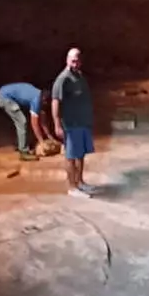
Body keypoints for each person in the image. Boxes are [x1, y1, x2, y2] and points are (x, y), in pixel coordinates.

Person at [52, 48, 96, 198]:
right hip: (71, 124)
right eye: (72, 60)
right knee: (71, 155)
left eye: (77, 61)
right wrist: (57, 124)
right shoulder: (63, 79)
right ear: (67, 60)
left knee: (81, 153)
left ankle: (80, 182)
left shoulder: (79, 76)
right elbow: (56, 101)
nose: (75, 63)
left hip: (83, 122)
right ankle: (72, 187)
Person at [0, 82, 52, 161]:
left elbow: (43, 121)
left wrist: (49, 135)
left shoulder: (40, 96)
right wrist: (41, 141)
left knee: (20, 121)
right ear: (44, 101)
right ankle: (23, 152)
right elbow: (34, 124)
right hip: (4, 97)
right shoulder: (36, 100)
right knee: (22, 121)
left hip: (5, 93)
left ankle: (20, 145)